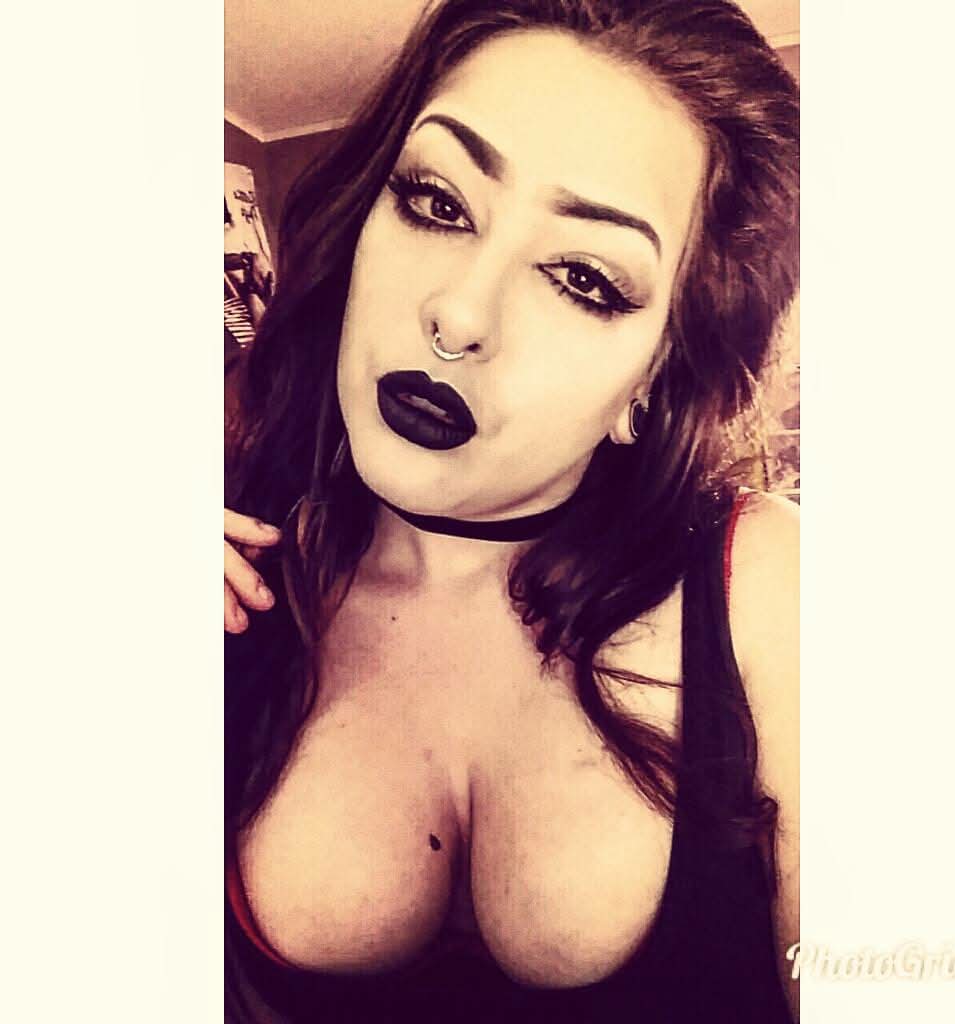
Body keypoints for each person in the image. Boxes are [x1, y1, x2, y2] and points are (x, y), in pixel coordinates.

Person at [223, 1, 799, 1021]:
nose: (458, 312)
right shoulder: (230, 564)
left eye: (583, 278)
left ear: (657, 376)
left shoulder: (764, 585)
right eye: (436, 201)